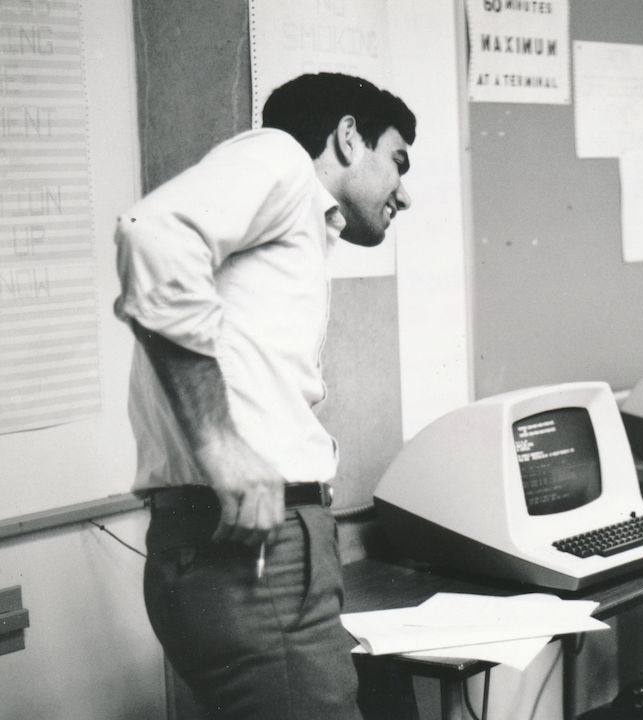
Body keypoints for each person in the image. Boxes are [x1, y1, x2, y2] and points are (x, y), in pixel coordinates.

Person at [113, 72, 415, 719]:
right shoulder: (279, 157)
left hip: (249, 551)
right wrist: (220, 443)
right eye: (398, 161)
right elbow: (152, 234)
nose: (405, 193)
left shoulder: (292, 226)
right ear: (347, 137)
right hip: (254, 558)